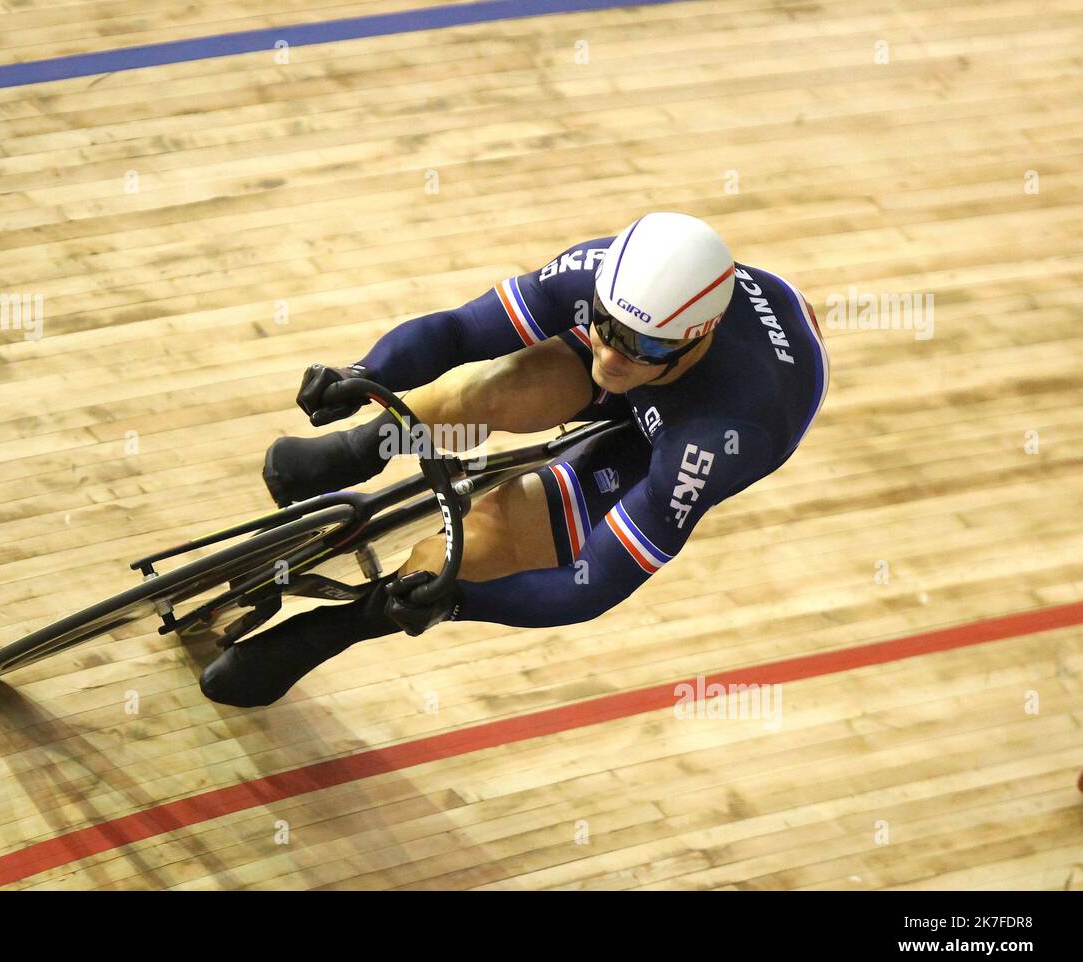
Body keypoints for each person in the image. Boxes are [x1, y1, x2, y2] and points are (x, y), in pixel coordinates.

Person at [201, 212, 830, 707]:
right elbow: (459, 332)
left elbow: (591, 586)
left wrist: (456, 600)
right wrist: (363, 374)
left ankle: (328, 632)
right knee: (485, 385)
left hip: (682, 426)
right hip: (670, 372)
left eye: (640, 348)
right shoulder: (601, 276)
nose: (611, 361)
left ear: (698, 336)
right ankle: (365, 448)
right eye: (606, 327)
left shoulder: (721, 437)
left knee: (466, 553)